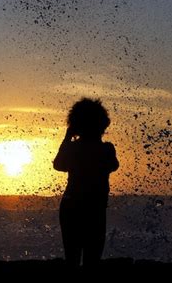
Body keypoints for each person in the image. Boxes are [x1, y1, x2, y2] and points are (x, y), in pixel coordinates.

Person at [53, 97, 119, 268]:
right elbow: (113, 165)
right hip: (94, 209)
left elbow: (58, 164)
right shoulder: (106, 150)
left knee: (72, 260)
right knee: (92, 261)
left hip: (71, 208)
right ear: (103, 125)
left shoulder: (74, 148)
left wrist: (67, 138)